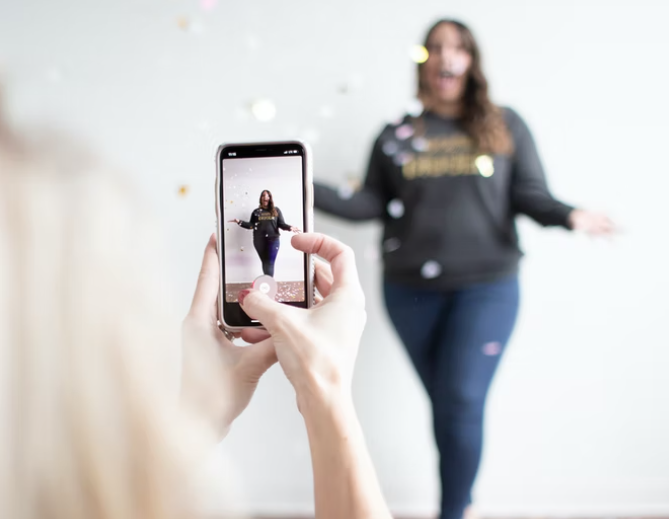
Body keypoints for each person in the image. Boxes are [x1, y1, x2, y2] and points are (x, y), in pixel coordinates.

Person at [0, 98, 392, 519]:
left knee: (270, 267)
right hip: (260, 243)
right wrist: (325, 389)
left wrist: (201, 411)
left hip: (273, 244)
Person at [314, 19, 615, 519]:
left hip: (487, 287)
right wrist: (303, 185)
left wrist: (569, 215)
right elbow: (368, 202)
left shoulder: (504, 125)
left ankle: (454, 512)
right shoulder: (396, 134)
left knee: (460, 399)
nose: (445, 56)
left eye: (457, 48)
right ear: (422, 62)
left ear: (472, 61)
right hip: (410, 292)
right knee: (449, 405)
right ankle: (459, 503)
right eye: (434, 48)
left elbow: (529, 194)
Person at [229, 189, 300, 277]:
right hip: (259, 240)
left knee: (270, 262)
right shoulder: (256, 212)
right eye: (263, 195)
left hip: (273, 240)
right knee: (265, 262)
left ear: (270, 198)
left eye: (267, 195)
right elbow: (251, 225)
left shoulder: (276, 210)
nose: (265, 197)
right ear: (261, 198)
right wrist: (239, 222)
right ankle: (267, 282)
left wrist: (290, 227)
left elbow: (281, 224)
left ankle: (269, 282)